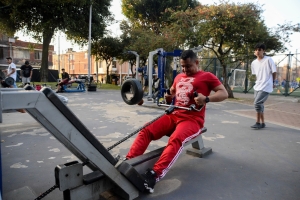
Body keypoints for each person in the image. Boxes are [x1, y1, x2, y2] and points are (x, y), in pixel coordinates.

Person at [125, 50, 228, 193]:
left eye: (188, 66)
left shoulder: (207, 76)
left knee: (176, 139)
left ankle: (154, 176)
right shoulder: (179, 77)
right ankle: (129, 162)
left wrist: (207, 99)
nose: (185, 69)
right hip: (173, 115)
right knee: (147, 129)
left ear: (197, 63)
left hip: (192, 119)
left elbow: (224, 93)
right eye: (183, 66)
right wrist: (168, 96)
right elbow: (172, 92)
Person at [250, 43, 277, 129]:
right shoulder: (253, 63)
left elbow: (274, 72)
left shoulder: (269, 60)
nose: (258, 51)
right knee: (260, 104)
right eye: (256, 50)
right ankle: (263, 123)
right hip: (258, 85)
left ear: (263, 51)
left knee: (257, 103)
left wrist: (273, 82)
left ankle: (258, 122)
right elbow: (257, 74)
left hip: (266, 85)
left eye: (260, 50)